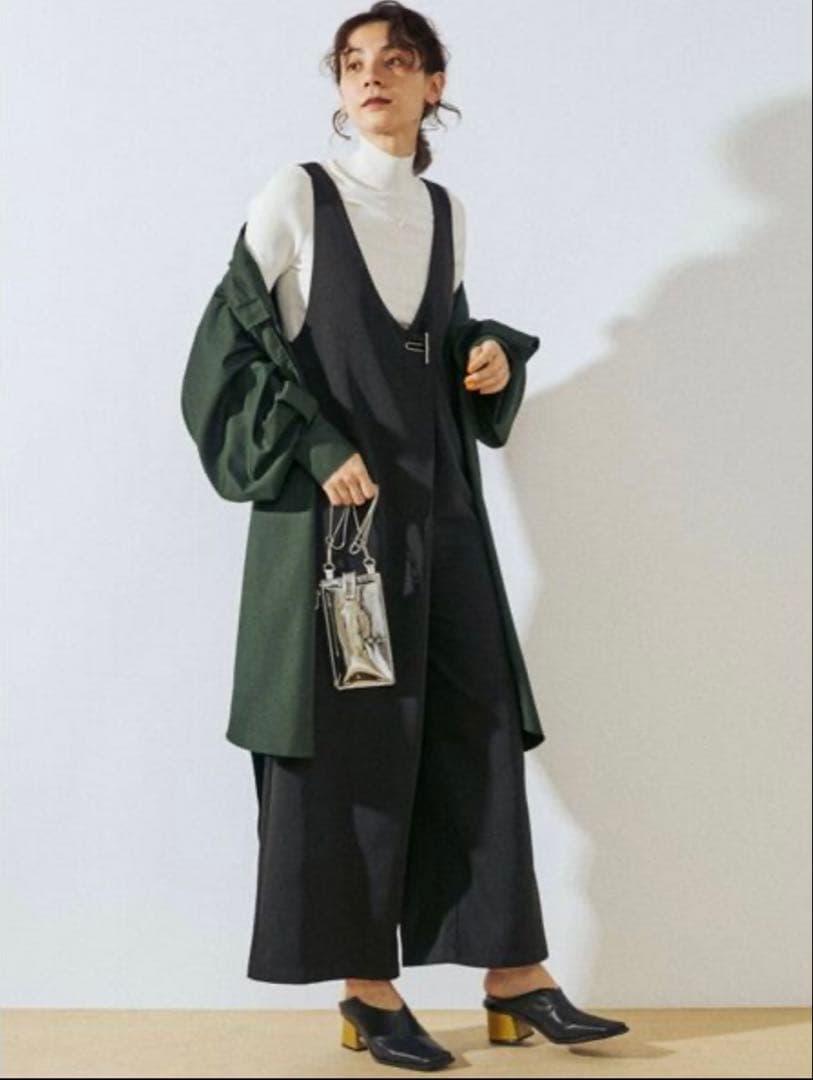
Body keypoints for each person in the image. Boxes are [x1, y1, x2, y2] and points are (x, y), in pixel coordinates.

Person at [190, 2, 629, 1070]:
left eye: (395, 60)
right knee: (349, 747)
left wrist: (487, 353)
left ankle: (516, 978)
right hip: (336, 534)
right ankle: (367, 993)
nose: (371, 76)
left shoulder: (442, 211)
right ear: (338, 86)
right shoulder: (297, 197)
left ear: (434, 83)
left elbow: (436, 337)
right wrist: (311, 446)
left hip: (439, 522)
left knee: (475, 726)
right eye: (352, 62)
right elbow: (223, 359)